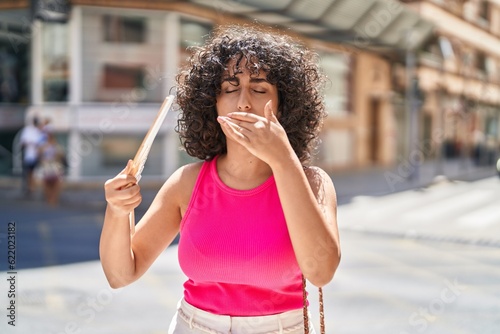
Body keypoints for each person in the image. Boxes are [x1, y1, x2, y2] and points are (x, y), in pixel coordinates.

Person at [100, 25, 341, 334]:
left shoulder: (314, 183)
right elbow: (121, 274)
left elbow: (321, 272)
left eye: (259, 88)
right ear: (211, 103)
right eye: (229, 88)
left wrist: (283, 160)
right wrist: (118, 210)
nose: (243, 102)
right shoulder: (186, 183)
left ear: (284, 105)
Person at [38, 131, 65, 206]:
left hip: (55, 166)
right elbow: (39, 155)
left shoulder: (57, 146)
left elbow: (61, 155)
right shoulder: (44, 146)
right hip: (47, 166)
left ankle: (54, 199)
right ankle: (49, 198)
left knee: (56, 183)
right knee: (47, 183)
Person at [19, 116, 43, 196]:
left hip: (35, 156)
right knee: (28, 173)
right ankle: (29, 188)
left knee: (33, 173)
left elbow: (41, 144)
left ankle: (31, 188)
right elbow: (23, 142)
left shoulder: (38, 131)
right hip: (28, 156)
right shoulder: (28, 130)